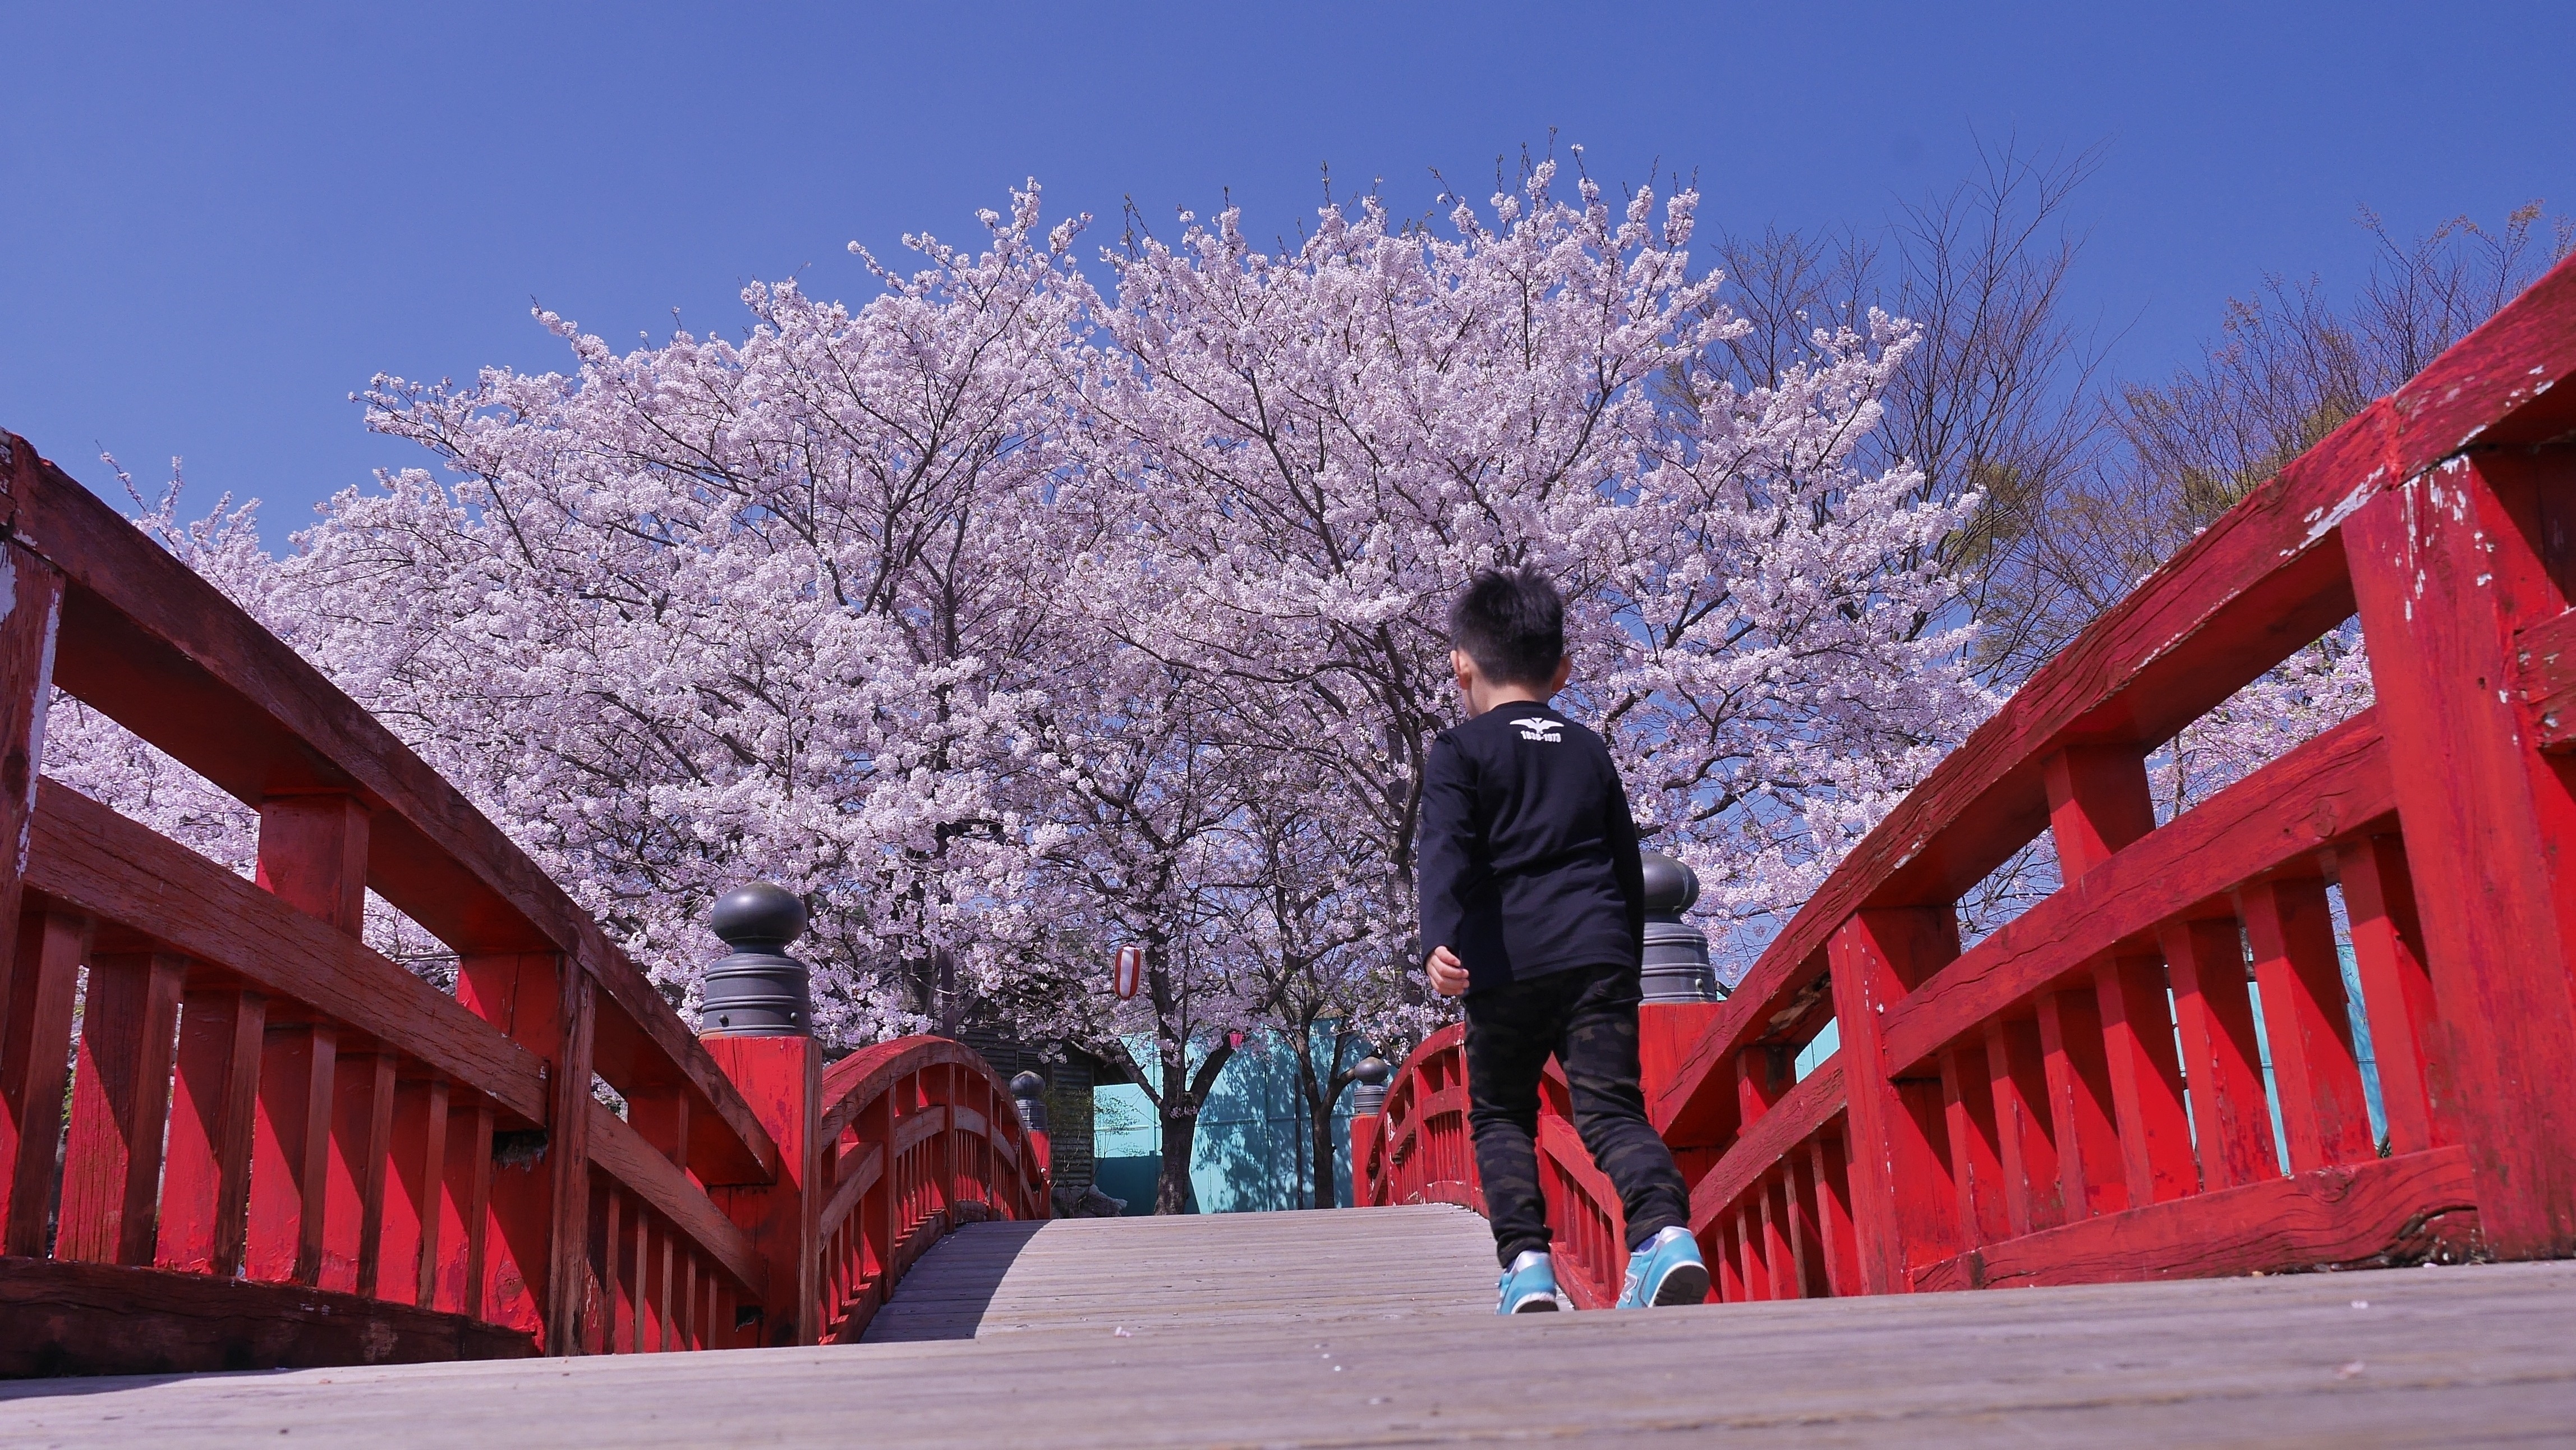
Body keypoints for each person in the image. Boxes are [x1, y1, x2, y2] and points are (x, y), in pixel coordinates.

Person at [1416, 567, 1707, 1315]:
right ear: (1565, 670)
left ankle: (1528, 1269)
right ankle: (1664, 1235)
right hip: (1597, 954)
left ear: (1462, 666)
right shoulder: (1588, 748)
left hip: (1505, 961)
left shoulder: (1459, 749)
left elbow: (1446, 851)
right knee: (1612, 1111)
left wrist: (1440, 942)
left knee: (1502, 1113)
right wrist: (1625, 965)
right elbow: (1621, 859)